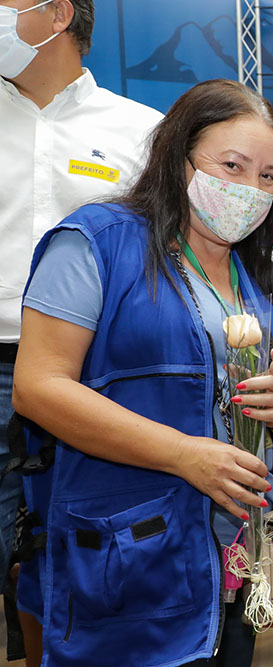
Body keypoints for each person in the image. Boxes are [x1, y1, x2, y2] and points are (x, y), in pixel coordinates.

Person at [11, 78, 273, 666]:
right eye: (232, 165)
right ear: (179, 160)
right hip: (129, 555)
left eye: (267, 176)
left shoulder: (270, 282)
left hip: (235, 556)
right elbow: (38, 386)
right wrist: (183, 453)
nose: (250, 189)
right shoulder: (97, 243)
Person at [0, 0, 162, 599]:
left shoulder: (142, 131)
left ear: (59, 13)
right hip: (0, 366)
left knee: (80, 581)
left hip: (100, 381)